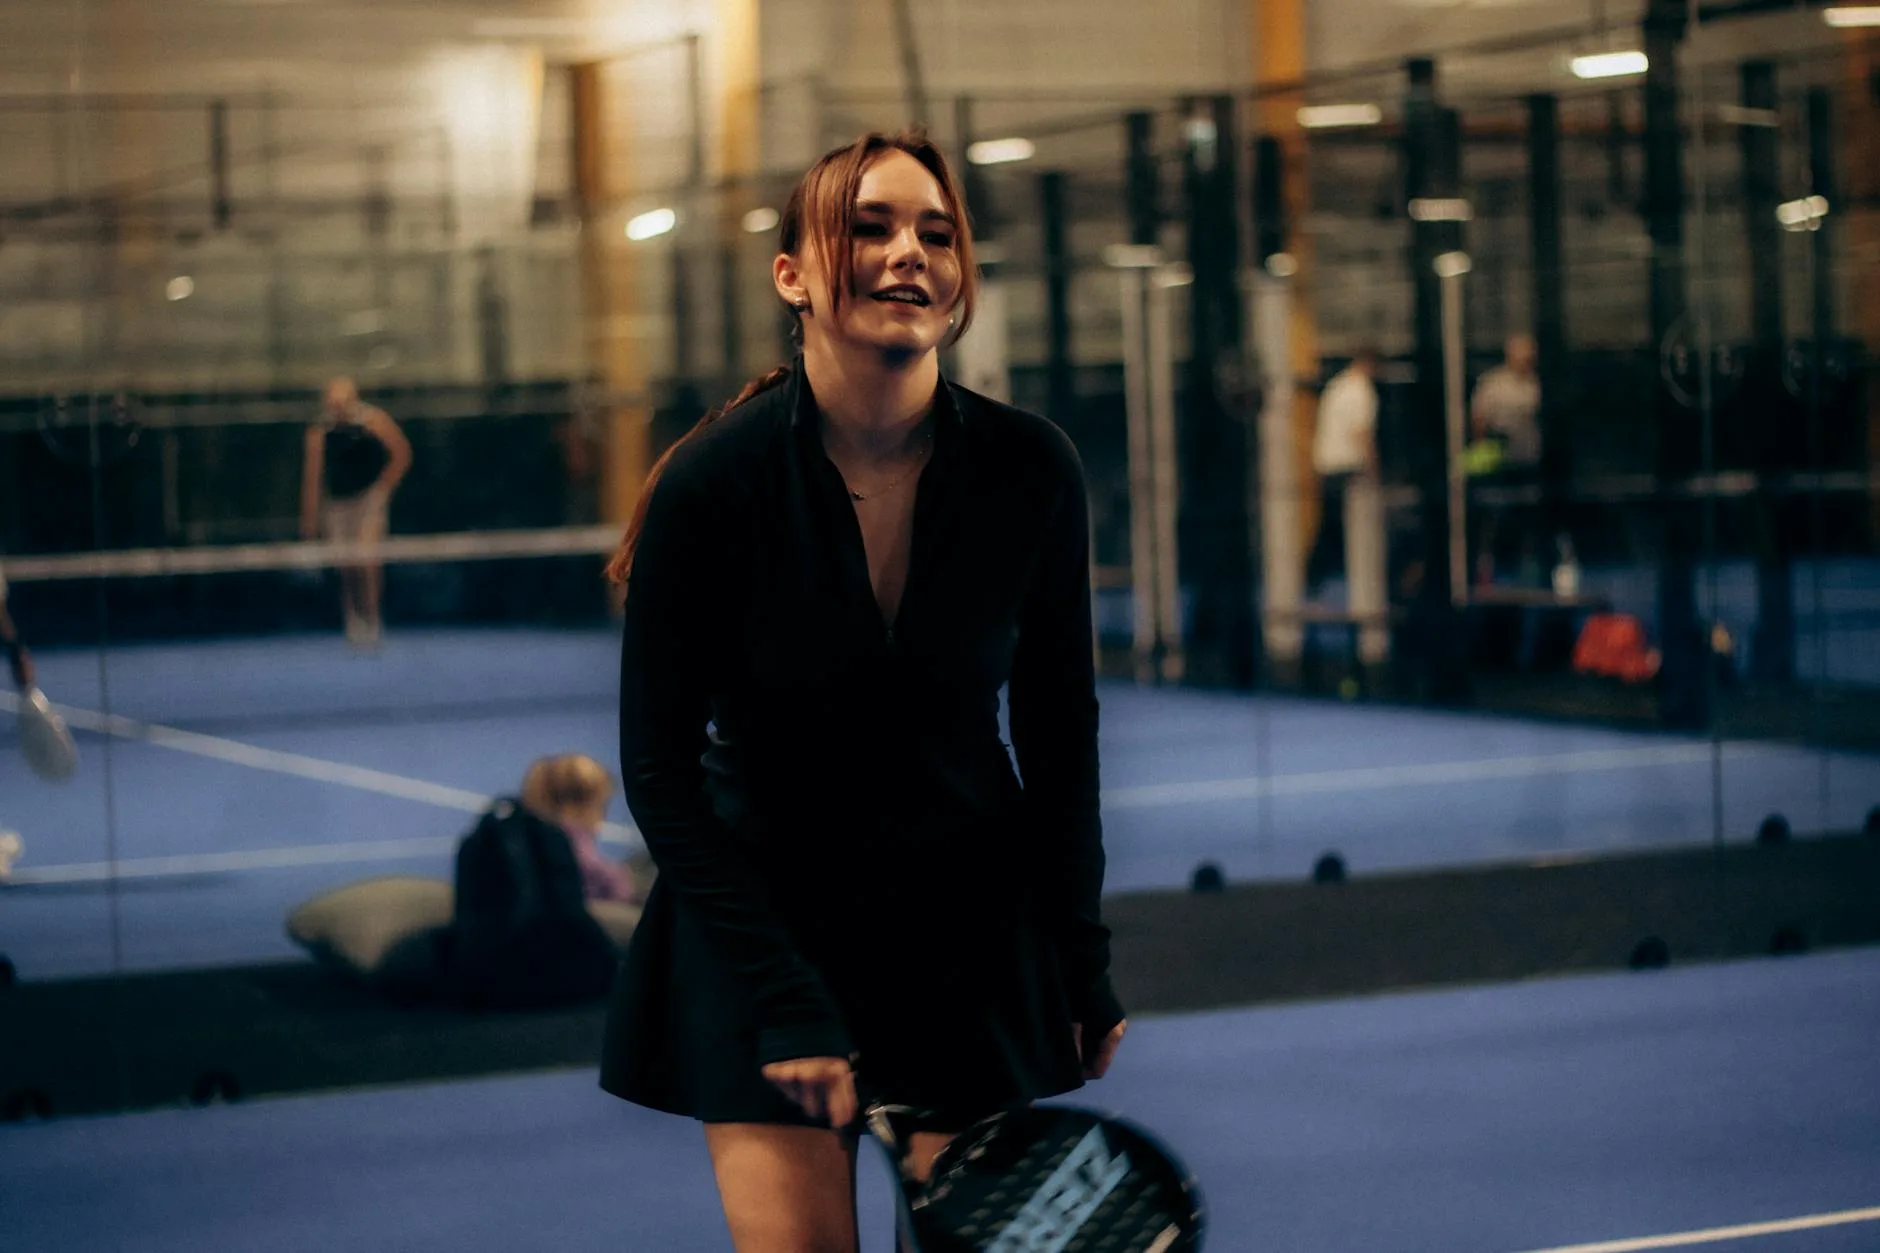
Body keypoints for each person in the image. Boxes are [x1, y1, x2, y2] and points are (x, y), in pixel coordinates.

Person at [599, 130, 1126, 1253]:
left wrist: (1079, 959)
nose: (908, 254)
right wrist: (782, 992)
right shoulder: (710, 481)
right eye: (870, 227)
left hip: (965, 933)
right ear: (792, 274)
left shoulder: (1032, 470)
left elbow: (1058, 734)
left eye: (935, 233)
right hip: (761, 929)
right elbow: (657, 771)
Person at [299, 377, 411, 649]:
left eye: (342, 401)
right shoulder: (319, 432)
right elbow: (313, 478)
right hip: (337, 505)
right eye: (332, 402)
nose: (337, 407)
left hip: (367, 502)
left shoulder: (373, 421)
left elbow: (402, 453)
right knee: (346, 564)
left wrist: (382, 488)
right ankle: (353, 620)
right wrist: (309, 519)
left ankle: (372, 619)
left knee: (368, 561)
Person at [1469, 334, 1543, 585]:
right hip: (1499, 464)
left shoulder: (1534, 383)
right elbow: (1479, 420)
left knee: (1527, 518)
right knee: (1494, 518)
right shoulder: (1493, 384)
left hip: (1528, 461)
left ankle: (1527, 572)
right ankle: (1487, 571)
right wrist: (1485, 455)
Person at [1306, 349, 1379, 598]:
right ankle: (1343, 580)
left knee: (1330, 525)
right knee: (1345, 528)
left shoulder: (1337, 386)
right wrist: (1374, 470)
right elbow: (1361, 434)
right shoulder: (1361, 392)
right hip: (1348, 469)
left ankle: (1315, 579)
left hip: (1326, 464)